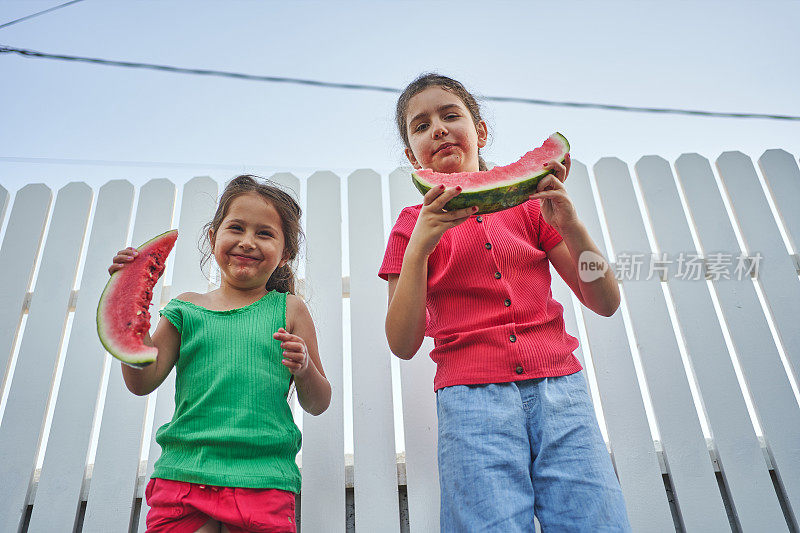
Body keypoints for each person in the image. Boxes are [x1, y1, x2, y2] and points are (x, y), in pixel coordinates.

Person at [380, 73, 632, 531]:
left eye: (450, 115)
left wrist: (572, 227)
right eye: (420, 125)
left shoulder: (531, 208)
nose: (437, 128)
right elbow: (402, 341)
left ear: (480, 131)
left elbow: (606, 298)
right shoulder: (409, 226)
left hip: (561, 393)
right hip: (470, 400)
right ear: (410, 155)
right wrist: (420, 246)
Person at [109, 175, 331, 533]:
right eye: (237, 228)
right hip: (184, 475)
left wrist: (304, 369)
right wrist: (125, 304)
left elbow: (319, 402)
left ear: (286, 252)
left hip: (264, 479)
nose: (247, 242)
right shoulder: (185, 309)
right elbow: (141, 381)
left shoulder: (290, 309)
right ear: (213, 237)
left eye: (265, 233)